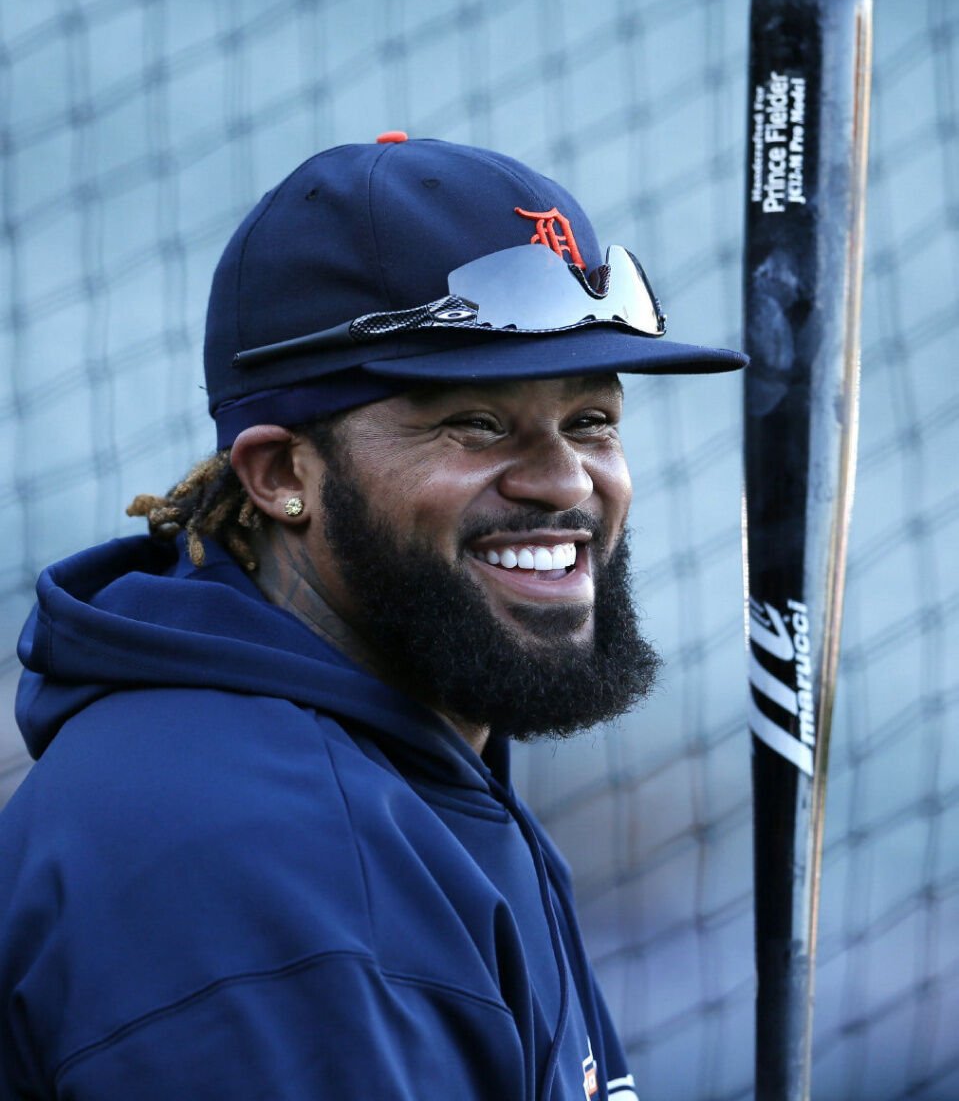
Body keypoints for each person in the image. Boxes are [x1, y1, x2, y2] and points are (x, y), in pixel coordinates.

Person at [0, 133, 746, 1099]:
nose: (566, 482)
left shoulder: (394, 768)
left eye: (590, 421)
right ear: (279, 475)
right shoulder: (273, 868)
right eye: (475, 424)